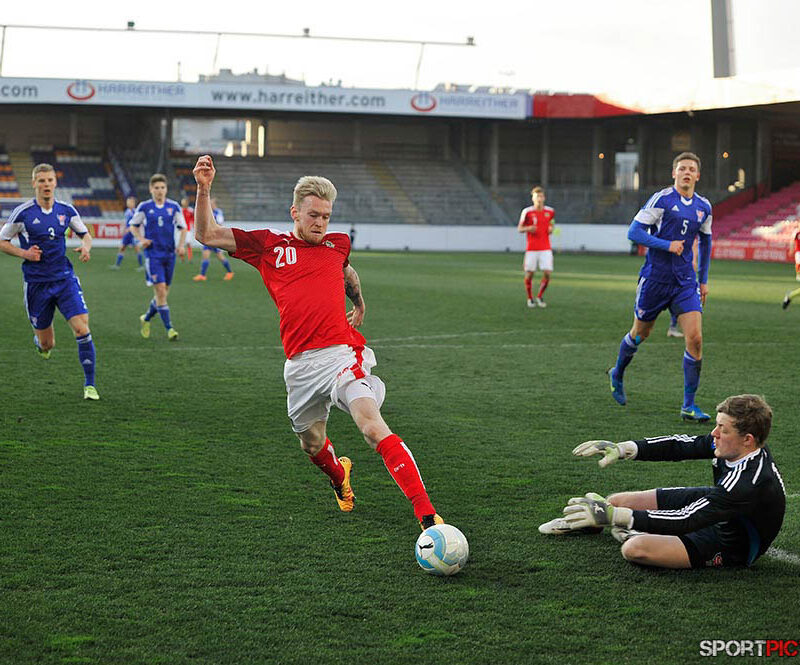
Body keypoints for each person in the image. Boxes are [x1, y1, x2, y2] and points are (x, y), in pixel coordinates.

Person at [192, 154, 443, 530]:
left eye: (326, 216)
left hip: (343, 354)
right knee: (311, 444)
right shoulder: (268, 246)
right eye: (313, 216)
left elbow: (345, 271)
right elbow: (206, 234)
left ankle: (427, 514)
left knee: (373, 426)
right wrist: (204, 188)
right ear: (294, 212)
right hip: (299, 365)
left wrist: (357, 301)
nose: (321, 224)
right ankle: (339, 475)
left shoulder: (337, 244)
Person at [538, 394, 786, 570]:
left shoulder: (747, 482)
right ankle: (592, 524)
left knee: (635, 549)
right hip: (719, 506)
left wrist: (615, 517)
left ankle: (632, 531)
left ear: (748, 439)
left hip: (734, 541)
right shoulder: (733, 447)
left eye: (723, 429)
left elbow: (686, 518)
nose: (714, 434)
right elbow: (679, 445)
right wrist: (623, 448)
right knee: (617, 501)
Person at [607, 152, 712, 421]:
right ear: (674, 173)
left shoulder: (704, 207)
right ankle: (617, 371)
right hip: (655, 279)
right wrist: (666, 245)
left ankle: (688, 405)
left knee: (696, 339)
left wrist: (703, 279)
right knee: (640, 334)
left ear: (698, 175)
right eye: (682, 168)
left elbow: (707, 242)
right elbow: (634, 232)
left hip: (685, 282)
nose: (687, 172)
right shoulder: (662, 199)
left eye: (691, 169)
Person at [0, 163, 99, 400]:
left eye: (50, 180)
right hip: (37, 284)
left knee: (82, 329)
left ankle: (90, 385)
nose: (46, 185)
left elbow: (85, 234)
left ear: (55, 183)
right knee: (47, 344)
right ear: (34, 183)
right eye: (41, 181)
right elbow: (2, 241)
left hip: (64, 279)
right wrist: (25, 254)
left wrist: (86, 247)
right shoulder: (22, 213)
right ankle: (40, 343)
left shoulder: (67, 210)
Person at [129, 174, 186, 341]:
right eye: (156, 188)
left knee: (163, 294)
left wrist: (181, 246)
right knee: (160, 291)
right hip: (153, 255)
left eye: (162, 188)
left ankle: (146, 318)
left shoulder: (174, 207)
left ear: (166, 189)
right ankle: (170, 329)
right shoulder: (145, 207)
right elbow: (133, 226)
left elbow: (183, 228)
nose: (159, 191)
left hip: (169, 254)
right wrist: (141, 240)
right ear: (151, 189)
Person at [517, 185, 555, 308]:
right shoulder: (527, 212)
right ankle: (530, 298)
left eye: (541, 196)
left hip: (545, 248)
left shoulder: (550, 211)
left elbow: (552, 223)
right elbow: (520, 228)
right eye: (537, 196)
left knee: (548, 273)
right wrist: (528, 228)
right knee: (529, 274)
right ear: (533, 198)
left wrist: (551, 229)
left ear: (544, 198)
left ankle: (539, 296)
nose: (539, 198)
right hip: (532, 248)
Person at [192, 197, 234, 281]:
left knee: (220, 256)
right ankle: (202, 275)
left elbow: (219, 223)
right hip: (208, 237)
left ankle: (229, 272)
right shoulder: (209, 212)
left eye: (211, 203)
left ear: (214, 204)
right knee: (205, 255)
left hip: (216, 238)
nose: (210, 204)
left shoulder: (218, 212)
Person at [110, 196, 144, 271]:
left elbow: (138, 223)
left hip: (133, 233)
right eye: (127, 202)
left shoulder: (136, 212)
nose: (128, 203)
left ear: (134, 203)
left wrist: (131, 229)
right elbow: (127, 222)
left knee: (137, 249)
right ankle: (117, 265)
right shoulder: (127, 211)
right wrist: (125, 229)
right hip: (127, 234)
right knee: (122, 248)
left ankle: (141, 266)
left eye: (130, 202)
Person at [180, 196, 194, 263]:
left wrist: (194, 225)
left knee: (188, 244)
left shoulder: (190, 210)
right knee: (181, 244)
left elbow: (193, 219)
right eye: (184, 202)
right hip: (181, 230)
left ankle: (190, 259)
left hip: (188, 230)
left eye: (186, 202)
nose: (185, 203)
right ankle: (182, 258)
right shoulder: (180, 210)